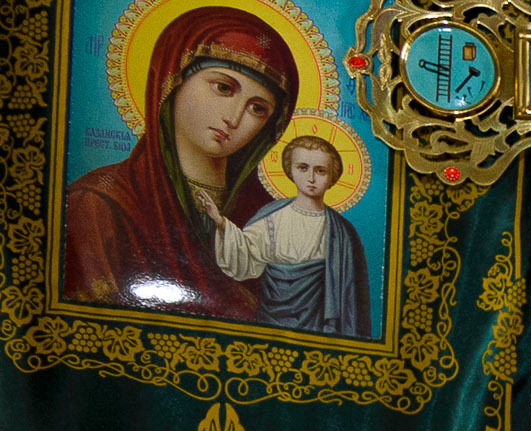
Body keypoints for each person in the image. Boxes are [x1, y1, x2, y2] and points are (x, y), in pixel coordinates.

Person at [64, 5, 296, 320]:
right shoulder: (100, 204)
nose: (234, 118)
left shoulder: (271, 219)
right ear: (173, 80)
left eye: (257, 108)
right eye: (223, 88)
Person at [211, 128, 367, 337]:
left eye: (320, 171)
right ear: (290, 170)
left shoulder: (342, 232)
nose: (311, 177)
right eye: (303, 168)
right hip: (271, 318)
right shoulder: (272, 217)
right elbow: (245, 254)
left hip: (318, 323)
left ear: (332, 176)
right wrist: (221, 223)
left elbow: (350, 293)